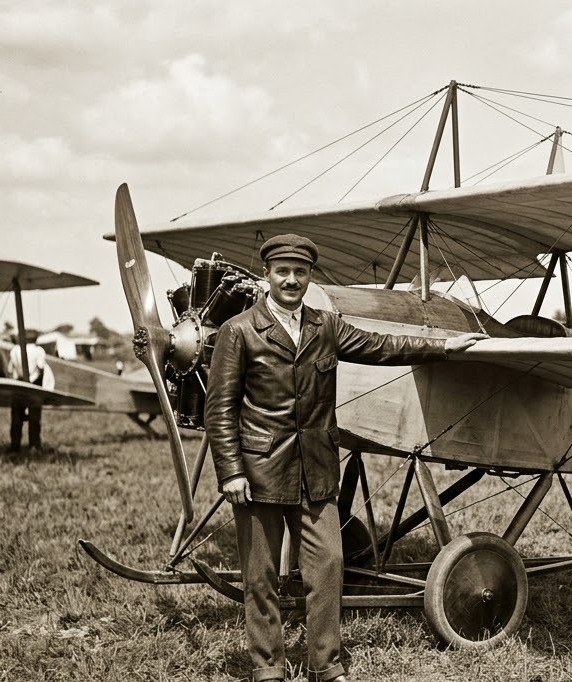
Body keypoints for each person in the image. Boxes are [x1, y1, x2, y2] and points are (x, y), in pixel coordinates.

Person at [205, 234, 487, 682]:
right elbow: (219, 409)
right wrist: (231, 472)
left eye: (300, 272)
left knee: (329, 566)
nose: (291, 280)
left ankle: (326, 664)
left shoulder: (326, 326)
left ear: (309, 276)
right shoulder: (238, 331)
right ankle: (268, 667)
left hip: (316, 470)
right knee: (261, 577)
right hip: (259, 471)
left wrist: (442, 349)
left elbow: (382, 345)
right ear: (267, 276)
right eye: (283, 272)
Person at [6, 330, 51, 452]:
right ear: (34, 339)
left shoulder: (14, 350)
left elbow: (10, 370)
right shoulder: (38, 351)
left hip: (19, 385)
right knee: (34, 419)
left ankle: (14, 446)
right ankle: (34, 445)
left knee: (16, 419)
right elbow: (40, 369)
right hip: (34, 386)